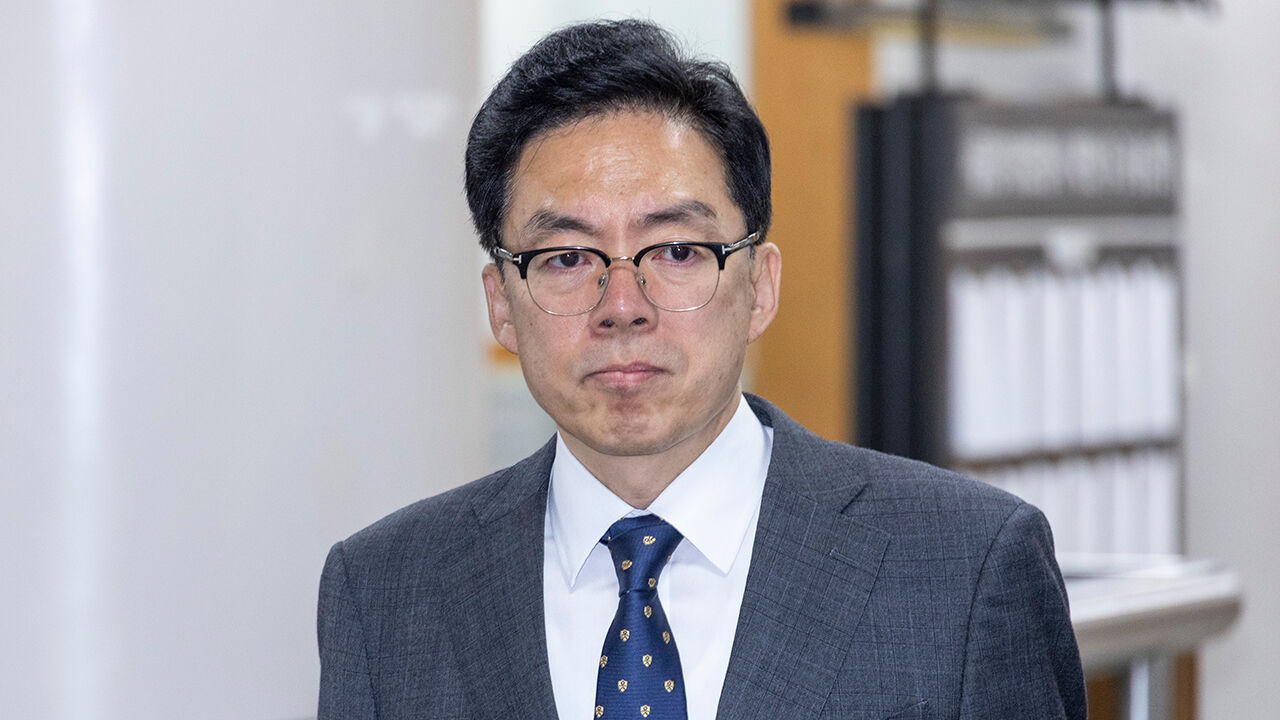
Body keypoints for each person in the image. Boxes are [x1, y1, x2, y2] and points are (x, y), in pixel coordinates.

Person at [317, 19, 1085, 720]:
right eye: (567, 258)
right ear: (501, 304)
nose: (623, 306)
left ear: (760, 287)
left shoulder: (966, 569)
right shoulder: (385, 592)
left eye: (678, 251)